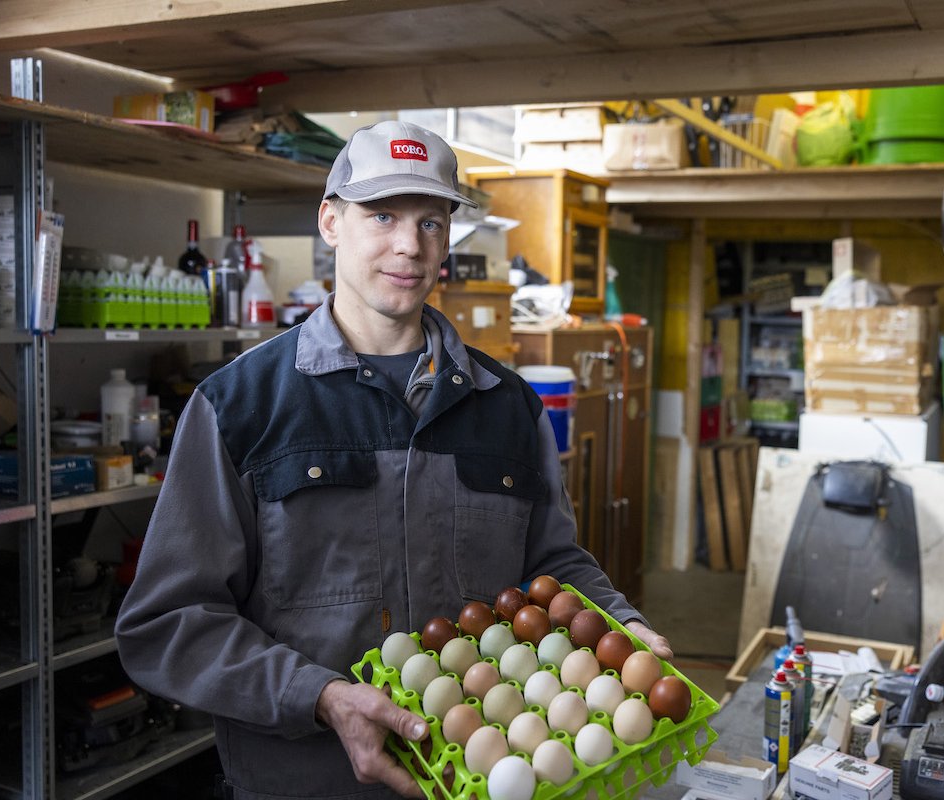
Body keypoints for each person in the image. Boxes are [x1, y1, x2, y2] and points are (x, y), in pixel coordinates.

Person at [116, 120, 672, 800]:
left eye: (431, 222)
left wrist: (622, 622)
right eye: (382, 215)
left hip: (485, 779)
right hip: (306, 784)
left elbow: (551, 565)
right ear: (330, 221)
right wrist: (319, 695)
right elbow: (168, 623)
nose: (410, 245)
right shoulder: (240, 408)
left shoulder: (509, 407)